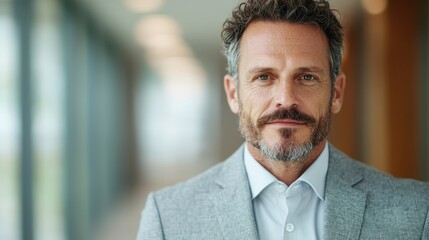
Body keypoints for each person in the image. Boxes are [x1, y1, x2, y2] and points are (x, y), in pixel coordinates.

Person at [137, 0, 429, 239]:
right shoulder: (167, 218)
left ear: (336, 93)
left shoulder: (415, 213)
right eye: (264, 77)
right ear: (233, 94)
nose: (286, 98)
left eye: (307, 77)